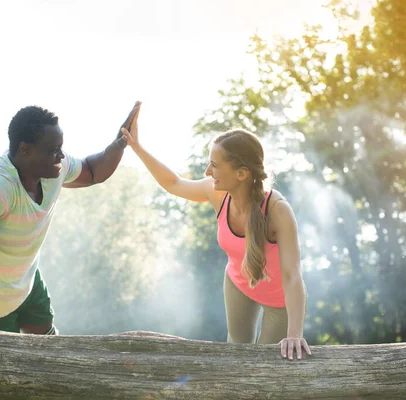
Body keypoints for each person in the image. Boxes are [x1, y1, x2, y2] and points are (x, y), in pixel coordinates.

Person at [0, 101, 141, 339]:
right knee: (8, 366)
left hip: (26, 279)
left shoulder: (55, 167)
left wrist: (120, 143)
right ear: (25, 149)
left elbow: (94, 171)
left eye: (60, 148)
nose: (61, 156)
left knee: (47, 343)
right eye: (53, 149)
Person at [123, 105, 311, 360]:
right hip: (238, 282)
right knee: (236, 353)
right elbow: (174, 183)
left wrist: (295, 333)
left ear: (241, 174)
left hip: (279, 299)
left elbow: (292, 275)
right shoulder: (217, 193)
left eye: (214, 165)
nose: (207, 172)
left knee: (267, 364)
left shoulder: (278, 211)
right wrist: (137, 146)